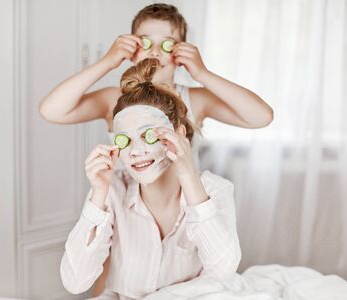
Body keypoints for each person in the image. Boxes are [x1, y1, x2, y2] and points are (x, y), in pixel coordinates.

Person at [60, 58, 241, 299]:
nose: (135, 151)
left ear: (179, 132)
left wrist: (187, 174)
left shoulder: (215, 190)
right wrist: (99, 194)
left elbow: (224, 270)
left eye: (148, 135)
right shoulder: (112, 190)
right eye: (124, 139)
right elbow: (75, 282)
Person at [38, 3, 274, 168]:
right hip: (128, 210)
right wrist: (107, 62)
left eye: (168, 44)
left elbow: (261, 117)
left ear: (181, 53)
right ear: (131, 49)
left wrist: (203, 74)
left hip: (184, 212)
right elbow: (51, 111)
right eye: (146, 41)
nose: (155, 51)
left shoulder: (196, 99)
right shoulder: (114, 100)